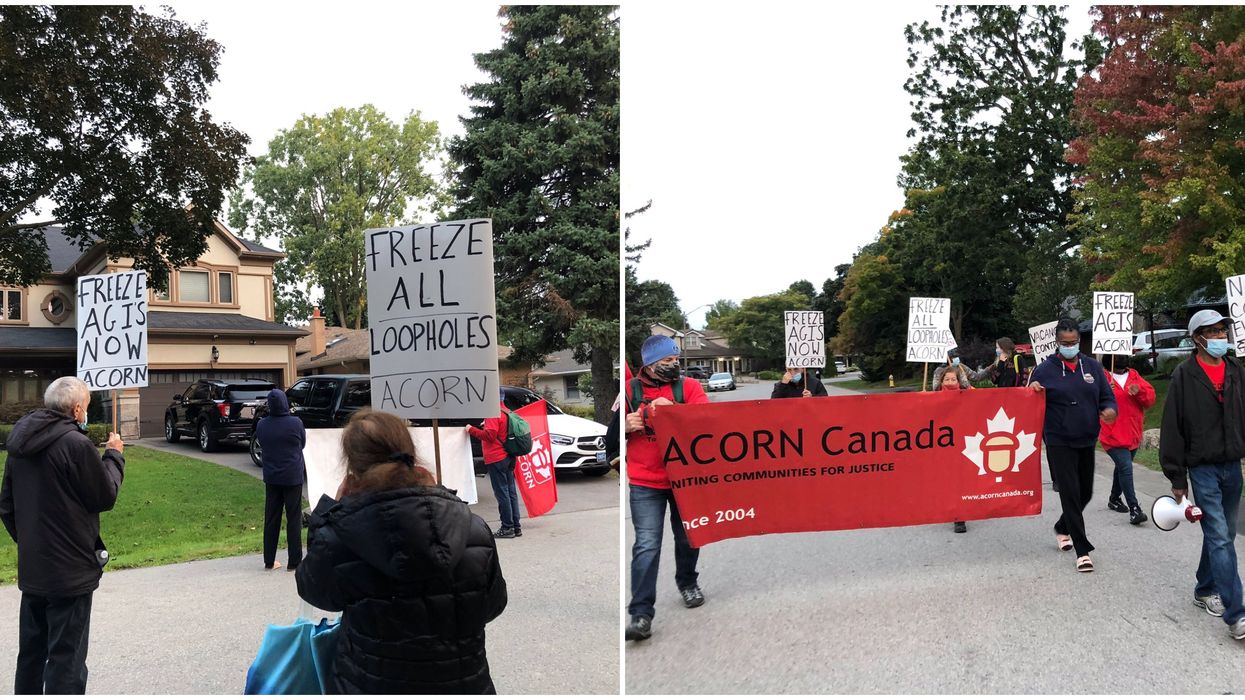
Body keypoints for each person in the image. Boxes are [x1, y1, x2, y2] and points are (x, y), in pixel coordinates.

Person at [296, 410, 508, 693]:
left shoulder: (340, 537)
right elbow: (493, 605)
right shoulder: (473, 527)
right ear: (410, 453)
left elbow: (316, 593)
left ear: (351, 468)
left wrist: (327, 515)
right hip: (465, 684)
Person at [0, 377, 125, 694]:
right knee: (66, 660)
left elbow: (7, 506)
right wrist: (113, 456)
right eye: (88, 406)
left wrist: (31, 543)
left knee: (31, 653)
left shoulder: (19, 442)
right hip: (70, 573)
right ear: (78, 408)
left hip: (36, 569)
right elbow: (105, 495)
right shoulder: (76, 445)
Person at [1158, 310, 1245, 640]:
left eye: (1223, 330)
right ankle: (1237, 613)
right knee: (1221, 537)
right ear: (1197, 338)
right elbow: (1172, 427)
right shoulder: (1184, 375)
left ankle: (1204, 587)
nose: (1221, 337)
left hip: (1232, 467)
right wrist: (1177, 477)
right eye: (1213, 332)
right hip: (1203, 469)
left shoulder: (1236, 370)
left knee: (1222, 534)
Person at [625, 334, 710, 642]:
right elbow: (611, 435)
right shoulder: (630, 390)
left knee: (688, 536)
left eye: (676, 360)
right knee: (647, 544)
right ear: (649, 365)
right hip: (645, 480)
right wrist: (625, 425)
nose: (674, 365)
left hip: (685, 478)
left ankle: (688, 583)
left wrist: (672, 408)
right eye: (666, 362)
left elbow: (705, 423)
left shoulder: (689, 388)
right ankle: (641, 614)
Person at [1029, 319, 1117, 573]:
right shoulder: (1045, 369)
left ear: (1079, 341)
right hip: (1059, 440)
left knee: (1085, 493)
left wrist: (1110, 409)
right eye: (1065, 343)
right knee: (1070, 493)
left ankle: (1062, 527)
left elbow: (1106, 396)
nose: (1070, 346)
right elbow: (1028, 398)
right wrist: (1033, 389)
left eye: (1074, 342)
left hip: (1087, 438)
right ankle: (1082, 550)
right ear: (1057, 343)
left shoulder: (1092, 366)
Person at [253, 388, 305, 570]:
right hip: (292, 477)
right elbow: (302, 444)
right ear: (285, 403)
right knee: (294, 519)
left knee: (271, 518)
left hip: (272, 477)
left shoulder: (262, 425)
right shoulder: (296, 423)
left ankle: (269, 560)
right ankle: (294, 561)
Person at [1099, 360, 1156, 526]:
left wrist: (1139, 391)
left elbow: (1150, 399)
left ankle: (1114, 498)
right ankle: (1134, 508)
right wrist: (1102, 393)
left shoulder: (1134, 376)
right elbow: (1086, 400)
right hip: (1112, 435)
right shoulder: (1102, 377)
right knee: (1125, 467)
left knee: (1122, 467)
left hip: (1132, 434)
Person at [468, 392, 521, 538]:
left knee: (502, 493)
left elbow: (490, 436)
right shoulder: (507, 411)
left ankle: (507, 528)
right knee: (511, 493)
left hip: (497, 457)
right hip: (509, 456)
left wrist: (470, 429)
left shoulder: (493, 413)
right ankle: (516, 527)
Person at [935, 365, 971, 533]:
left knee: (961, 480)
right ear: (941, 381)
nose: (950, 382)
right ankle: (952, 511)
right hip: (943, 446)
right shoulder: (933, 399)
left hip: (963, 444)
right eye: (947, 379)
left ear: (959, 381)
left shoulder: (967, 396)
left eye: (953, 379)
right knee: (948, 480)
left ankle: (960, 515)